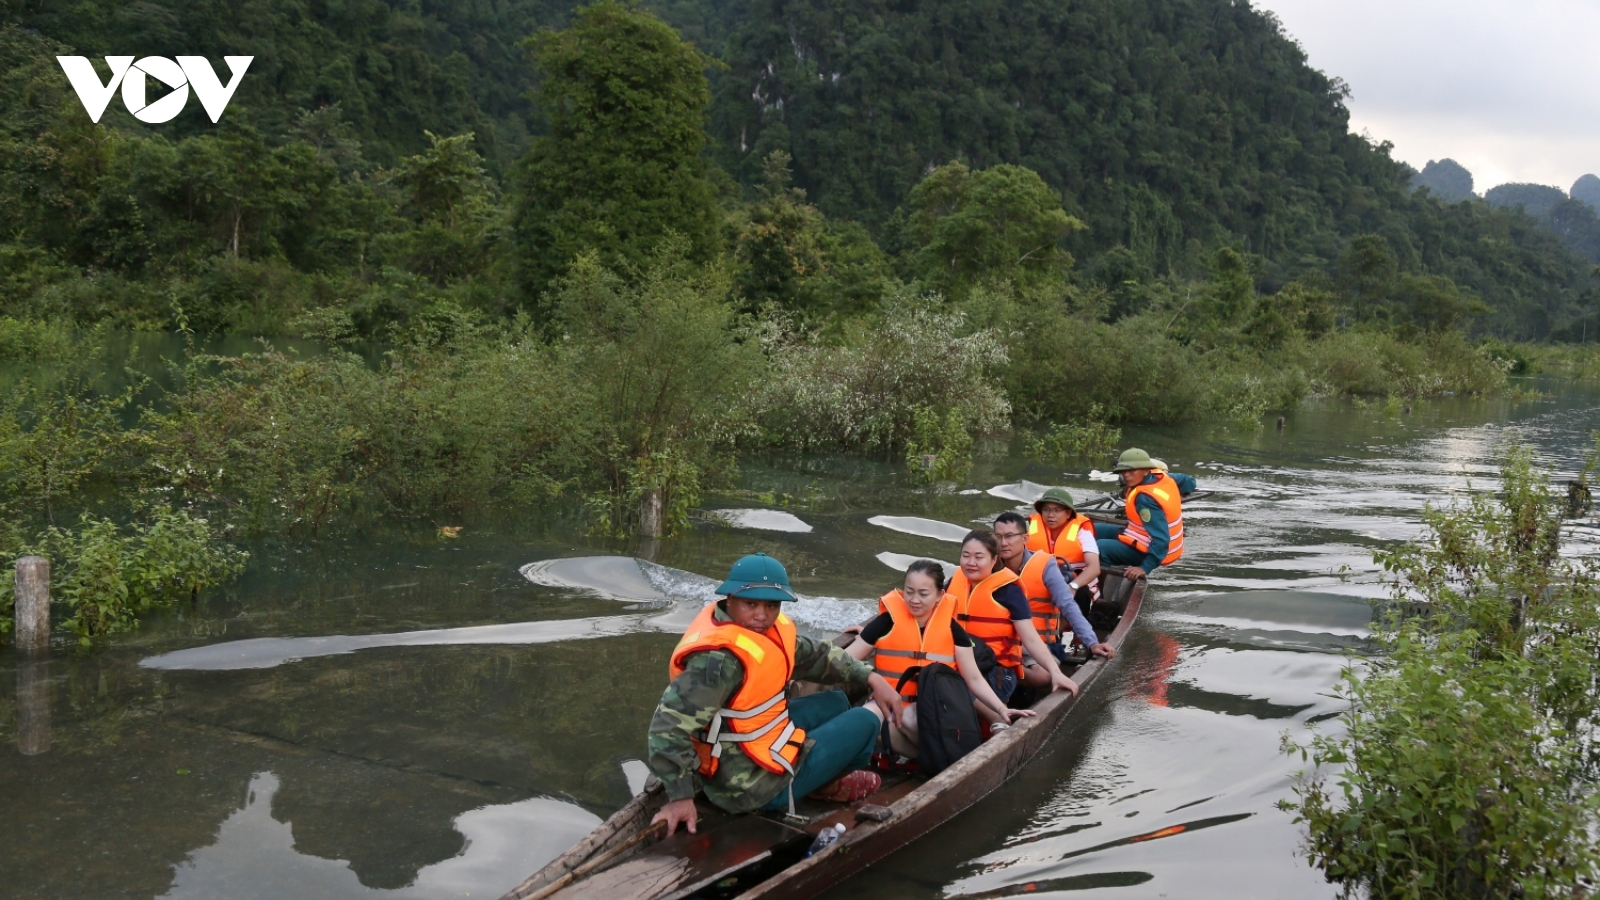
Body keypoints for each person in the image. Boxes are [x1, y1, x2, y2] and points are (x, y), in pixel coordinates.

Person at [647, 553, 905, 835]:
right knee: (865, 721)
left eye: (771, 605)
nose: (762, 615)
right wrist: (681, 797)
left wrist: (871, 676)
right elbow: (666, 727)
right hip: (747, 786)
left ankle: (820, 777)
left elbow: (816, 656)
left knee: (836, 701)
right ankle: (823, 785)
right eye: (751, 604)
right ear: (729, 599)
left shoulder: (765, 631)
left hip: (750, 743)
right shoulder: (720, 662)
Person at [845, 560, 1035, 757]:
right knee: (862, 719)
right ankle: (922, 760)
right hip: (887, 704)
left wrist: (1001, 709)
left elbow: (974, 678)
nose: (914, 600)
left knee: (910, 717)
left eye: (923, 593)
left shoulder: (953, 631)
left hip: (931, 710)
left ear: (939, 595)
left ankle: (932, 760)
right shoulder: (885, 623)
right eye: (909, 592)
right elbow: (846, 661)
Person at [948, 530, 1079, 722]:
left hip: (995, 671)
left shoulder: (1009, 591)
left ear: (994, 560)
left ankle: (997, 720)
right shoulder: (954, 582)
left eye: (979, 557)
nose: (970, 562)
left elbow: (1031, 638)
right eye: (965, 556)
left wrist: (1055, 672)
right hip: (960, 661)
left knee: (954, 683)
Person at [992, 511, 1114, 680]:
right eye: (998, 537)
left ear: (1025, 539)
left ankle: (1005, 673)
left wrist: (1092, 642)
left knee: (1043, 675)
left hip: (1033, 643)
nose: (1003, 543)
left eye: (1010, 536)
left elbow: (1068, 605)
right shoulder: (988, 563)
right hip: (995, 640)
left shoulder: (1044, 565)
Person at [1094, 448, 1185, 580]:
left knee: (1100, 548)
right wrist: (1186, 490)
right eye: (1123, 471)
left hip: (1152, 551)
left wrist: (1145, 567)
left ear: (1147, 470)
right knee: (1090, 529)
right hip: (1141, 537)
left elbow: (1161, 539)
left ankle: (1096, 592)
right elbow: (1187, 480)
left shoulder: (1144, 500)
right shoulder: (1163, 476)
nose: (1126, 475)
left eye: (1132, 470)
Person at [1024, 487, 1104, 608]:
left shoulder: (1082, 530)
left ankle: (1070, 624)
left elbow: (1094, 568)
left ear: (1068, 513)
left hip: (1074, 582)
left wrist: (1073, 586)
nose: (1051, 515)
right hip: (1040, 580)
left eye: (1057, 510)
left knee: (1080, 594)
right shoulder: (1029, 527)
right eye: (1046, 509)